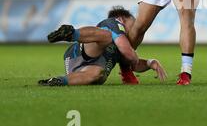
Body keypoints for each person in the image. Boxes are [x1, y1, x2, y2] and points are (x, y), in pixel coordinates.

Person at [38, 6, 167, 86]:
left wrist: (151, 63)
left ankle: (58, 81)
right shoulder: (112, 23)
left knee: (98, 73)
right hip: (79, 54)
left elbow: (135, 64)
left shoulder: (123, 44)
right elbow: (129, 54)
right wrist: (132, 57)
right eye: (132, 24)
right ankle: (71, 34)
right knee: (107, 36)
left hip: (79, 70)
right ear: (121, 19)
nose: (135, 29)